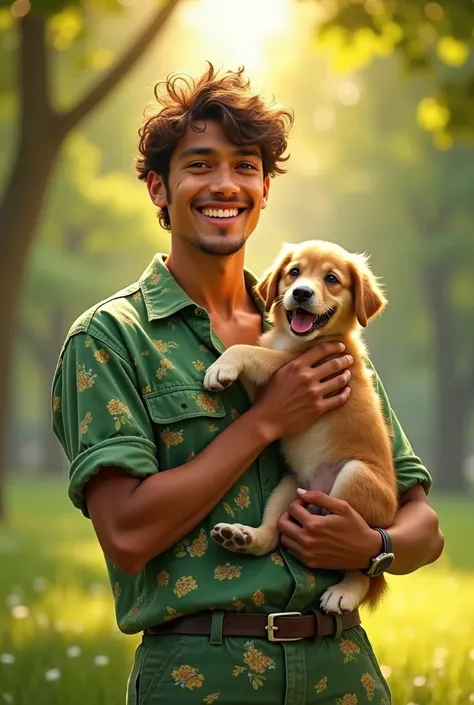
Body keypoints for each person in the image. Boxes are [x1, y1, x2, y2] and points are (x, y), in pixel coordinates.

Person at [51, 63, 444, 705]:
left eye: (244, 165)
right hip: (202, 675)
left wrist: (373, 547)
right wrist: (264, 421)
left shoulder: (321, 325)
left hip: (342, 671)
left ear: (264, 188)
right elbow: (125, 537)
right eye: (200, 164)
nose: (225, 184)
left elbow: (421, 521)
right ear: (158, 186)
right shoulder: (110, 338)